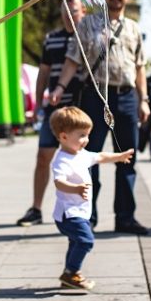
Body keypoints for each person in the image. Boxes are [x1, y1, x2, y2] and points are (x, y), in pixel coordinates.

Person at [51, 0, 150, 235]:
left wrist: (144, 100)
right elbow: (73, 59)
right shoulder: (88, 24)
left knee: (127, 159)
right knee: (88, 158)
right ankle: (88, 217)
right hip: (96, 97)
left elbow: (140, 68)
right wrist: (60, 87)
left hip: (127, 97)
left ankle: (125, 217)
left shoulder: (134, 29)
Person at [16, 0, 86, 227]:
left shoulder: (88, 37)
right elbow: (43, 73)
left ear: (82, 11)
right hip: (54, 109)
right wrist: (37, 103)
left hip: (80, 109)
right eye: (65, 11)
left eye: (73, 10)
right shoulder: (51, 39)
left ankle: (75, 210)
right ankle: (36, 208)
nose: (69, 15)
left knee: (77, 160)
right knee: (43, 156)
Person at [50, 106, 134, 291]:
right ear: (64, 137)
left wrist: (119, 157)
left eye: (87, 135)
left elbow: (101, 156)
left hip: (80, 211)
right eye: (81, 135)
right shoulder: (62, 160)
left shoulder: (81, 154)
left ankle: (70, 274)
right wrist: (76, 188)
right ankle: (71, 273)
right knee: (86, 240)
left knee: (76, 242)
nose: (86, 140)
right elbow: (59, 182)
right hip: (69, 214)